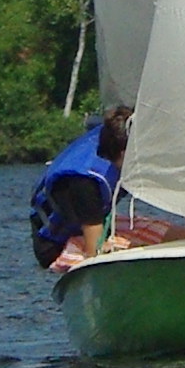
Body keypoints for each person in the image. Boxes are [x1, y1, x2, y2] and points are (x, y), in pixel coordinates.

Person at [31, 105, 133, 270]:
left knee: (174, 235)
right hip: (58, 245)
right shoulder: (85, 182)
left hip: (97, 225)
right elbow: (95, 251)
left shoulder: (114, 137)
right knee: (116, 251)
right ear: (124, 154)